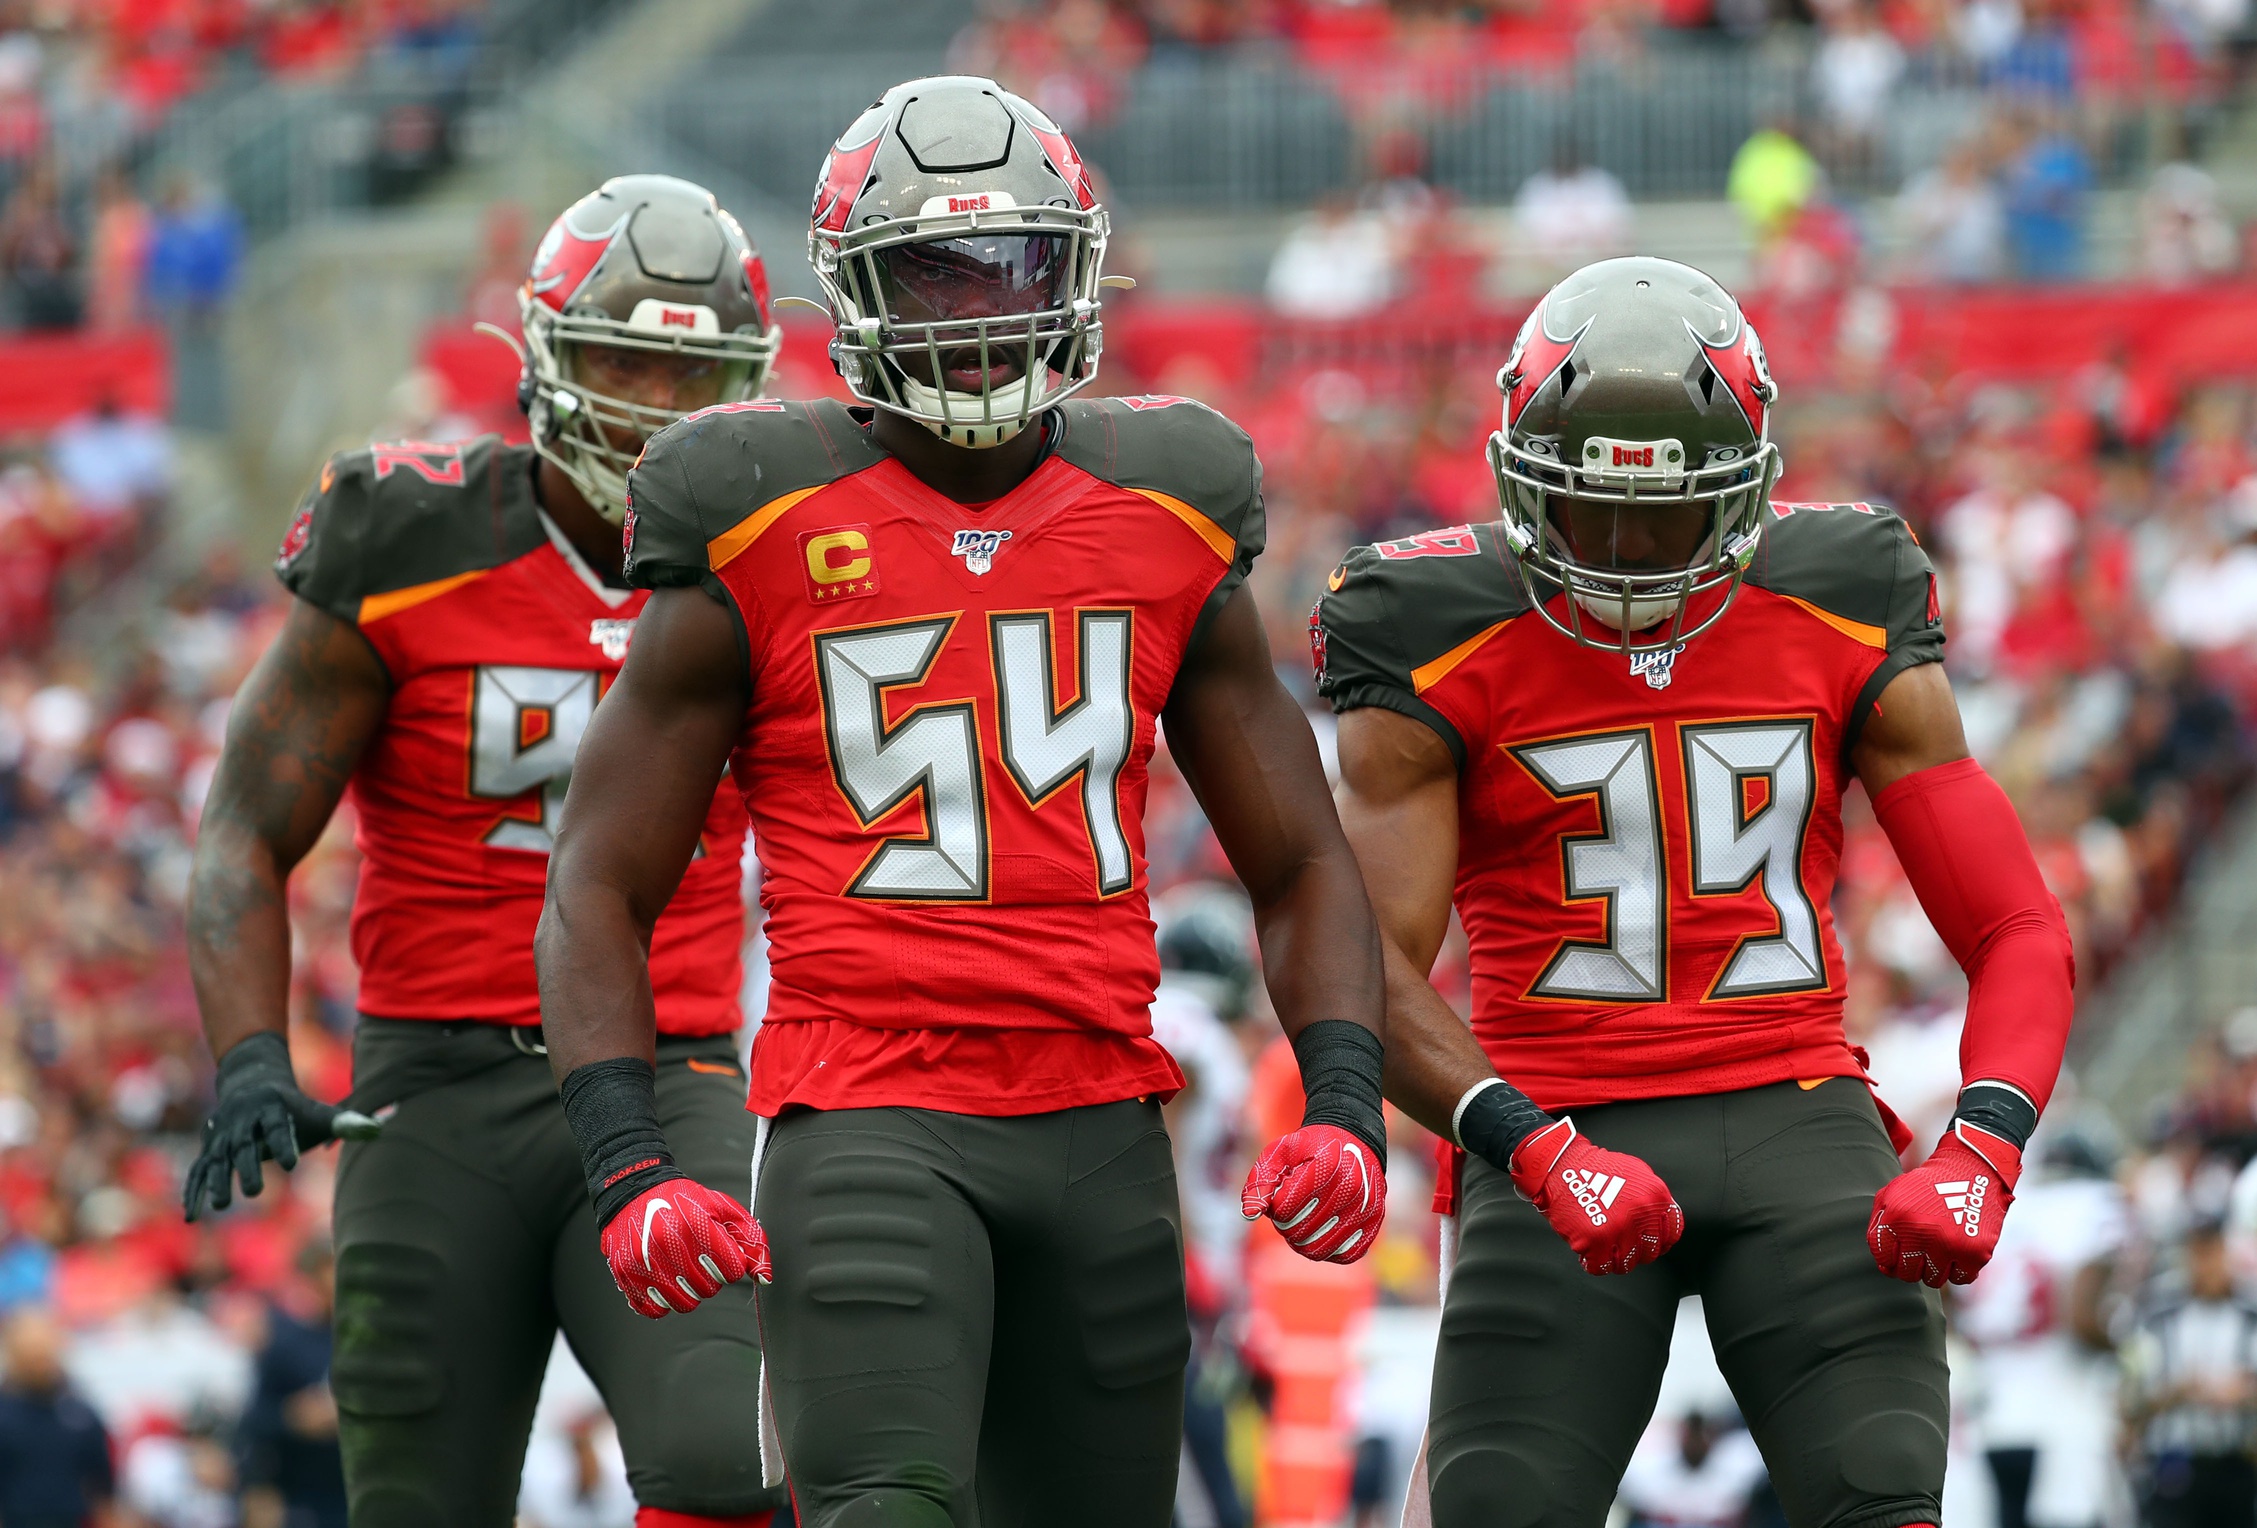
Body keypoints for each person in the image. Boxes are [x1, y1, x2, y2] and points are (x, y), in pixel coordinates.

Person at [537, 75, 1391, 1528]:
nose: (984, 309)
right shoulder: (752, 514)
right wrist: (626, 1163)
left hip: (1104, 1116)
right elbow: (596, 882)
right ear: (854, 287)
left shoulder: (1170, 504)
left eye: (1018, 266)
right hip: (869, 1108)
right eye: (935, 271)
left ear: (1077, 270)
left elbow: (1302, 856)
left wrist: (1348, 1099)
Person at [1313, 255, 2076, 1527]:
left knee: (1886, 1496)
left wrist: (1983, 1147)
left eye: (1666, 513)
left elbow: (2016, 926)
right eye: (1588, 510)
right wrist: (1530, 1145)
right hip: (1553, 1112)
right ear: (1517, 477)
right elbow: (1363, 970)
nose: (1625, 548)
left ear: (1748, 489)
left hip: (1797, 1109)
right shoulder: (1431, 621)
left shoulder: (1836, 592)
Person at [180, 174, 786, 1528]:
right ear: (547, 356)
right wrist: (249, 1056)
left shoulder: (776, 550)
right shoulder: (405, 535)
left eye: (694, 376)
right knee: (414, 1499)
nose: (659, 409)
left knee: (726, 1460)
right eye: (627, 357)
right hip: (434, 1087)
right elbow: (244, 825)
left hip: (670, 1072)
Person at [2124, 1220, 2257, 1528]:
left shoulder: (2250, 1318)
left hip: (2237, 1461)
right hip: (2174, 1462)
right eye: (2199, 1255)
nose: (2207, 1266)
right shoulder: (2156, 1320)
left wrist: (2244, 1393)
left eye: (2214, 1254)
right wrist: (2178, 1392)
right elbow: (2130, 1400)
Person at [0, 1306, 115, 1528]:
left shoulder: (81, 1413)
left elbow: (103, 1485)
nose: (40, 1362)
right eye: (31, 1353)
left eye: (44, 1352)